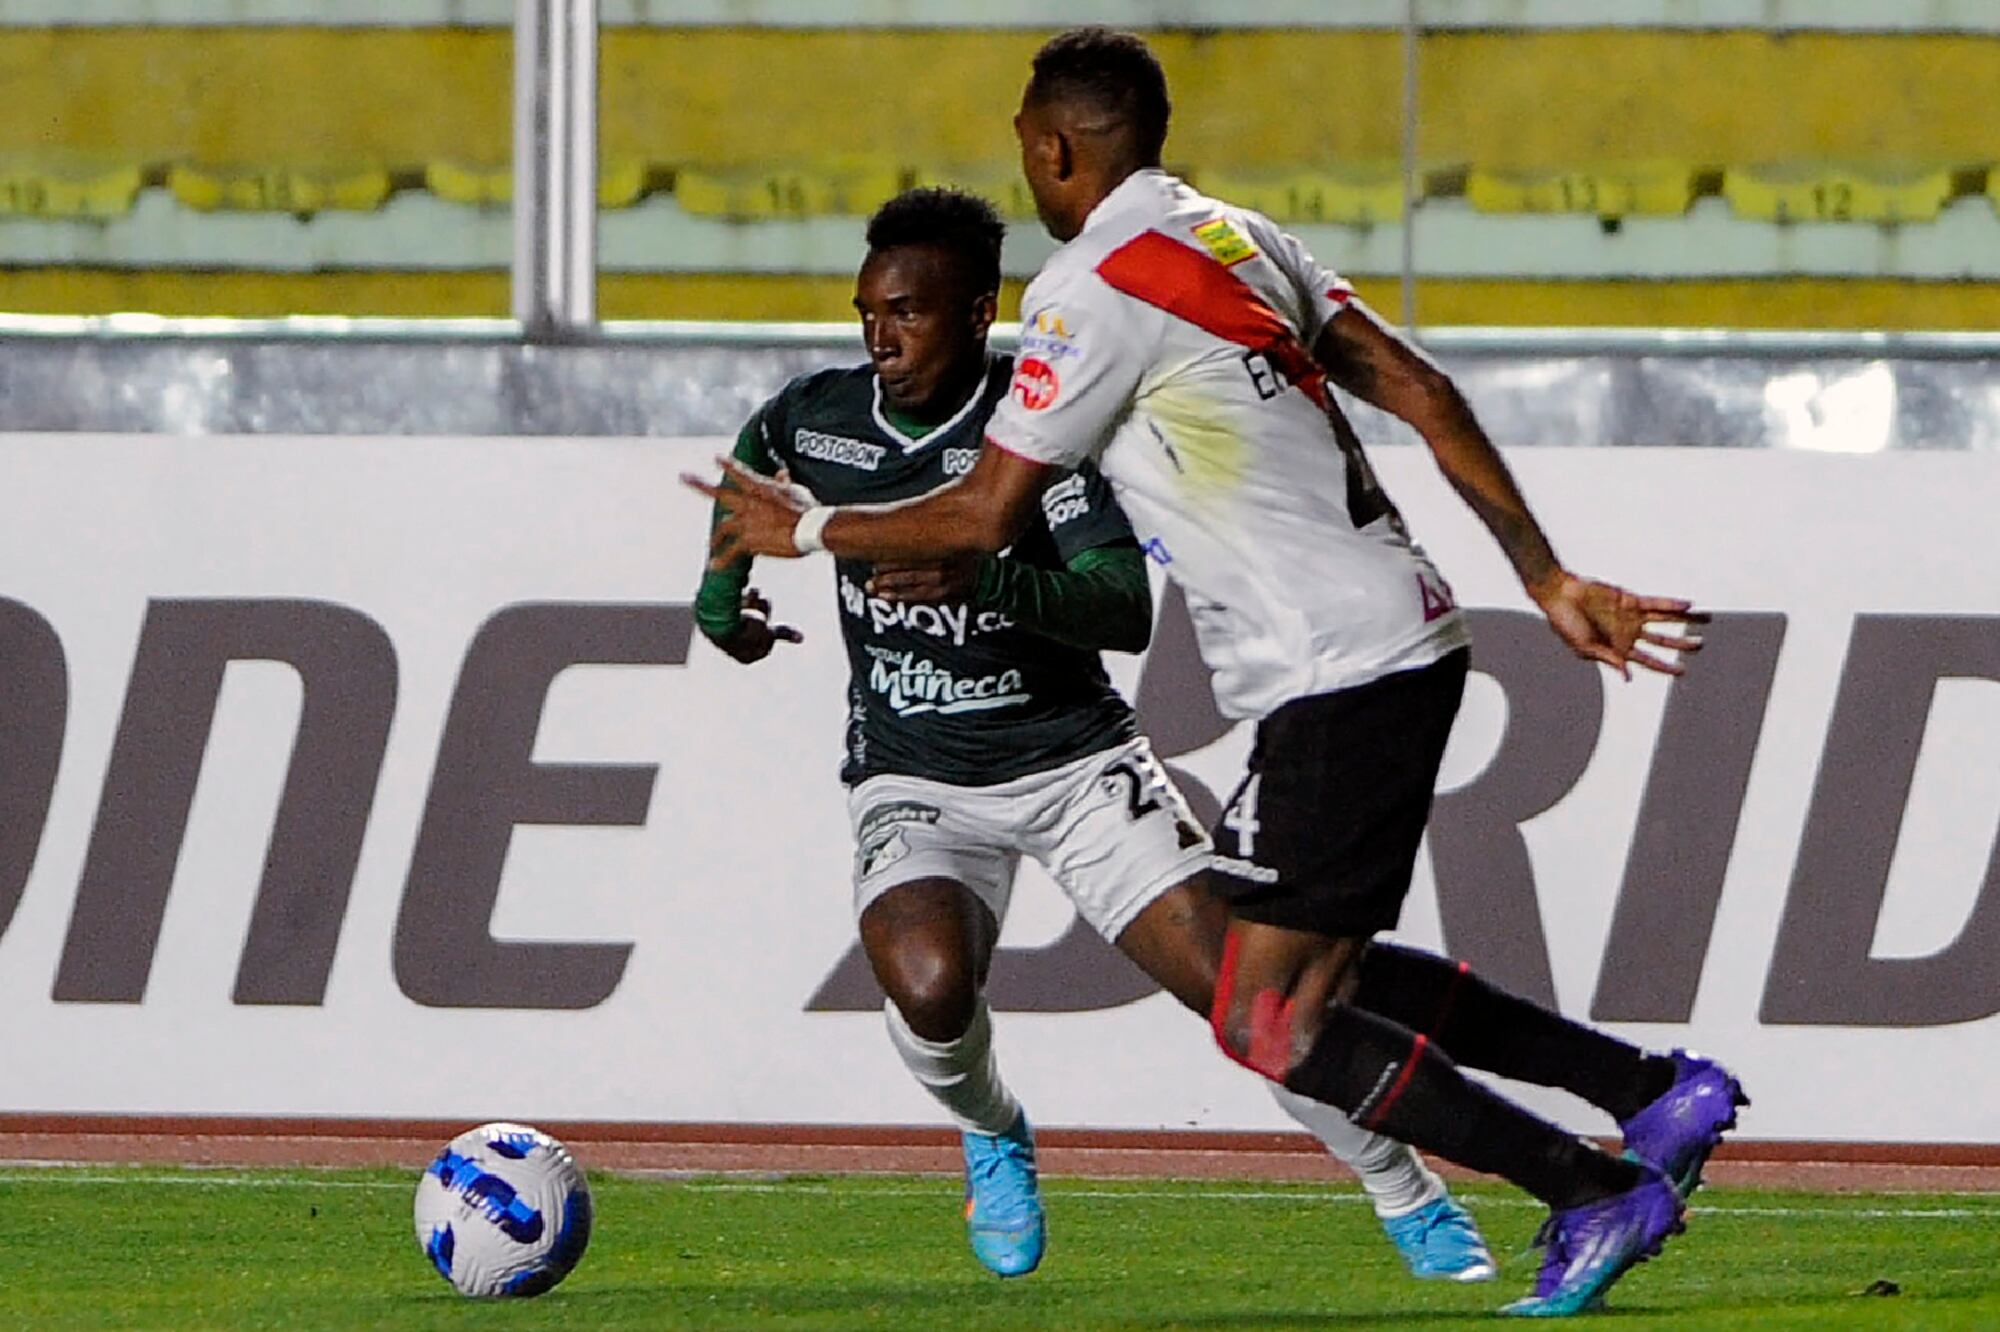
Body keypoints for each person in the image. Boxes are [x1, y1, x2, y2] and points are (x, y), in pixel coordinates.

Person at [686, 29, 1747, 1319]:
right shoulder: (1238, 238)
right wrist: (1541, 575)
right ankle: (1646, 1094)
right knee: (1304, 981)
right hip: (1382, 639)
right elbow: (1418, 387)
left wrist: (800, 532)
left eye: (1026, 140)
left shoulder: (1086, 295)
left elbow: (978, 519)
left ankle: (1590, 1190)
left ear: (1051, 146)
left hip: (1331, 668)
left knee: (1264, 1020)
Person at [693, 186, 1495, 1284]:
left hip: (1076, 766)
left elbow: (1123, 606)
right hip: (914, 774)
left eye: (907, 314)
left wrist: (993, 579)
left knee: (1245, 1000)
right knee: (927, 988)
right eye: (867, 311)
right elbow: (747, 482)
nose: (879, 338)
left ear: (979, 313)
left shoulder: (1044, 423)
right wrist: (717, 600)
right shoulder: (814, 417)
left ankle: (1404, 1190)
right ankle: (992, 1130)